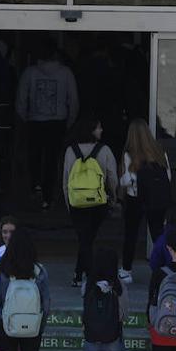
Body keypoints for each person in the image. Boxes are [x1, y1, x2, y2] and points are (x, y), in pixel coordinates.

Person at [15, 43, 79, 209]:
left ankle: (35, 185)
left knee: (34, 156)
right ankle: (48, 196)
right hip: (58, 122)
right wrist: (69, 121)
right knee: (52, 159)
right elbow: (73, 100)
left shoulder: (29, 72)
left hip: (35, 121)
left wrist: (26, 117)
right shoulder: (66, 73)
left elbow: (21, 99)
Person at [62, 116, 118, 288]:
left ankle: (79, 275)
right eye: (98, 128)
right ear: (91, 130)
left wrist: (68, 203)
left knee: (84, 239)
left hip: (77, 202)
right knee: (88, 238)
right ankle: (88, 275)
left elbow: (66, 180)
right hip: (98, 202)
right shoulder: (105, 150)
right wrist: (113, 198)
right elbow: (112, 177)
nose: (101, 130)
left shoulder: (71, 151)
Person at [120, 119, 171, 285]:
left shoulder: (130, 154)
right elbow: (168, 177)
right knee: (158, 234)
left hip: (135, 198)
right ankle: (165, 267)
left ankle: (126, 270)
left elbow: (127, 180)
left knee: (131, 235)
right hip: (157, 199)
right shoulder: (159, 153)